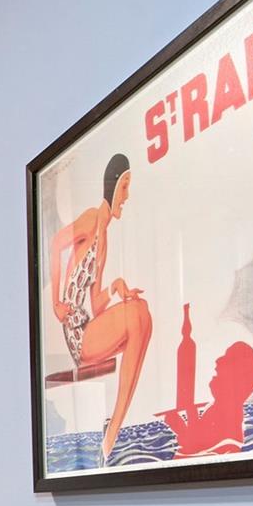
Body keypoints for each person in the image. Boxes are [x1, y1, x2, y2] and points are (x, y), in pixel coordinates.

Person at [48, 153, 154, 459]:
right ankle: (112, 434)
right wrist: (56, 302)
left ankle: (114, 430)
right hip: (76, 331)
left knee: (142, 313)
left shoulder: (104, 238)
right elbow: (56, 244)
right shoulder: (93, 219)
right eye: (125, 187)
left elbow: (95, 303)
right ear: (114, 185)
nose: (127, 196)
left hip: (86, 322)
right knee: (135, 315)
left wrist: (115, 287)